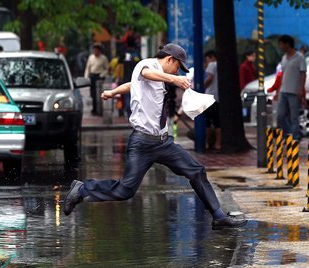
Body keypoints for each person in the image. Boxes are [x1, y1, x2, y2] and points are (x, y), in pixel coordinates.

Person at [62, 43, 247, 230]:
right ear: (169, 59)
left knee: (196, 171)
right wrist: (174, 80)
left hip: (164, 142)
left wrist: (113, 92)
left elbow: (133, 84)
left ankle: (218, 216)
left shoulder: (160, 75)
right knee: (125, 190)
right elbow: (144, 74)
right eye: (177, 67)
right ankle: (82, 189)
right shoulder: (147, 65)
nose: (177, 72)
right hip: (142, 142)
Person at [276, 35, 306, 141]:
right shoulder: (284, 57)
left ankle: (295, 137)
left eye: (281, 44)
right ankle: (289, 134)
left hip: (294, 91)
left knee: (294, 116)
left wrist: (301, 89)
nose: (280, 46)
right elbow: (283, 74)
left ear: (287, 44)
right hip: (283, 90)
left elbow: (303, 74)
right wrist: (278, 89)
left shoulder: (300, 57)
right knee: (280, 115)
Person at [83, 43, 109, 115]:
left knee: (99, 94)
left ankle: (99, 109)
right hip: (92, 76)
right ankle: (94, 109)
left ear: (99, 51)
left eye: (96, 50)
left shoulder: (103, 58)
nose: (95, 52)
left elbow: (107, 69)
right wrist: (86, 77)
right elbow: (88, 68)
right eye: (94, 50)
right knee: (93, 94)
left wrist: (102, 75)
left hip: (99, 77)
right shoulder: (91, 57)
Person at [203, 50, 221, 152]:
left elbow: (210, 78)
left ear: (211, 57)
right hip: (218, 98)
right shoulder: (220, 65)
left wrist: (202, 86)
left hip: (210, 97)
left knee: (207, 122)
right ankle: (218, 144)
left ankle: (207, 143)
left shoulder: (212, 64)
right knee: (218, 122)